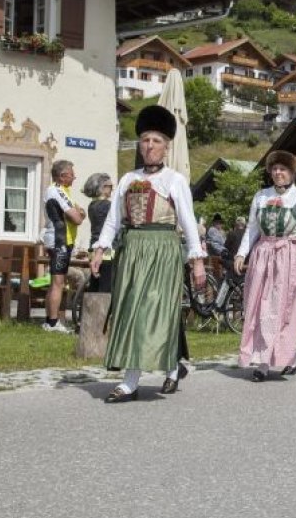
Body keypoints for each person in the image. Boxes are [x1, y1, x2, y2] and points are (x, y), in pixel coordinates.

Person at [90, 105, 206, 401]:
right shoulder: (128, 179)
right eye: (144, 140)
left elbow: (189, 222)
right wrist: (100, 248)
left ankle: (146, 375)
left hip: (162, 250)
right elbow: (114, 218)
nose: (149, 146)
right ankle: (160, 370)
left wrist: (196, 261)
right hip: (132, 250)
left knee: (155, 310)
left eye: (155, 141)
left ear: (166, 147)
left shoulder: (175, 180)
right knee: (130, 312)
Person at [234, 151, 296, 382]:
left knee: (285, 309)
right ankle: (265, 361)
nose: (278, 173)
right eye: (274, 169)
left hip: (291, 257)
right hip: (263, 255)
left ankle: (286, 355)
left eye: (283, 169)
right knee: (259, 306)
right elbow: (252, 228)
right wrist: (242, 253)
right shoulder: (261, 196)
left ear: (293, 172)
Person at [42, 159, 85, 332]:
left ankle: (49, 321)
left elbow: (81, 212)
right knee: (58, 283)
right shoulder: (57, 191)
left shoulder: (64, 191)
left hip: (63, 240)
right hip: (59, 240)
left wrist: (80, 214)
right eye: (72, 174)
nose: (75, 177)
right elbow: (77, 217)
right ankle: (53, 323)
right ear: (62, 176)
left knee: (56, 282)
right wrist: (79, 215)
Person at [81, 172, 113, 292]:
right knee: (106, 282)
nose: (111, 189)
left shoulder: (92, 205)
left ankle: (92, 309)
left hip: (92, 245)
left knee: (95, 281)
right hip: (106, 247)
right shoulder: (107, 205)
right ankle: (102, 310)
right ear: (102, 187)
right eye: (110, 186)